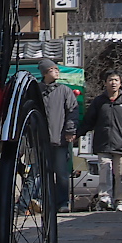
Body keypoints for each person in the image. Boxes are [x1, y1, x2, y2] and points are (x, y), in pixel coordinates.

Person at [77, 69, 122, 211]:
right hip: (103, 143)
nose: (113, 83)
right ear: (105, 83)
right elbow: (88, 121)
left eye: (116, 80)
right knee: (105, 168)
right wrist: (77, 134)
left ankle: (121, 201)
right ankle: (105, 197)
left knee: (121, 173)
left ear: (120, 83)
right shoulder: (99, 102)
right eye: (110, 80)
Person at [39, 60, 78, 212]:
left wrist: (70, 131)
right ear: (44, 73)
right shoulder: (37, 90)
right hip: (41, 140)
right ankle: (46, 202)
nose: (56, 71)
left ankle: (62, 203)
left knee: (61, 173)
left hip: (60, 139)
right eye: (52, 69)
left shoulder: (64, 90)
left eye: (57, 69)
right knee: (42, 173)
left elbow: (72, 112)